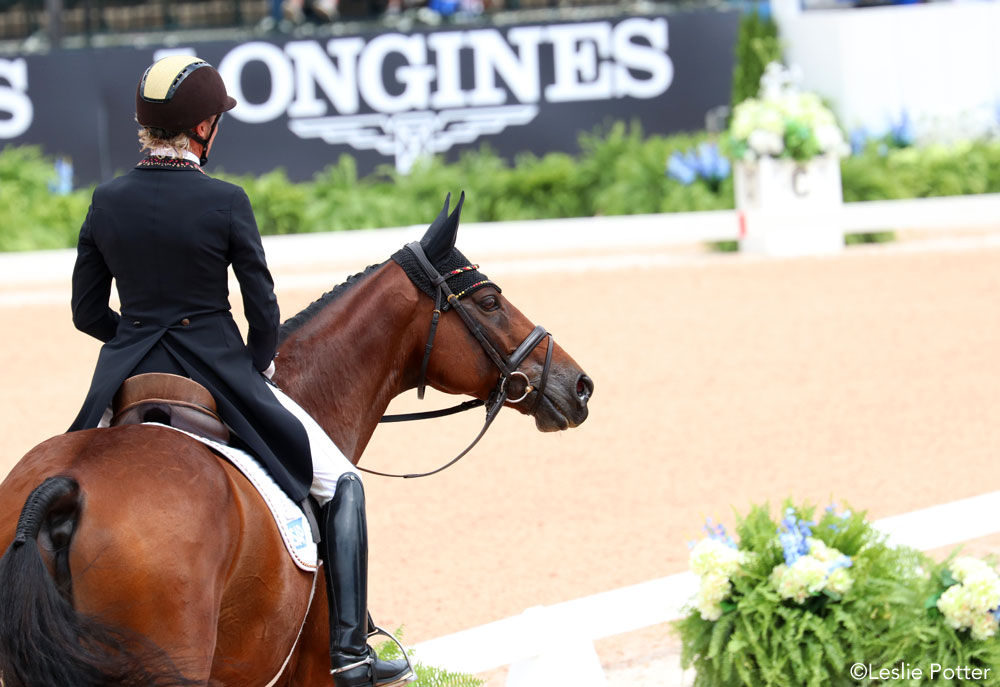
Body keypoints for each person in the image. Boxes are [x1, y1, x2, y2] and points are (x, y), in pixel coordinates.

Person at [68, 54, 413, 687]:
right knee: (340, 484)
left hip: (129, 374)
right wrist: (249, 372)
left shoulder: (105, 198)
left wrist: (139, 341)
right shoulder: (225, 200)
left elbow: (87, 310)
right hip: (219, 371)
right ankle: (351, 653)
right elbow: (263, 311)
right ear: (202, 128)